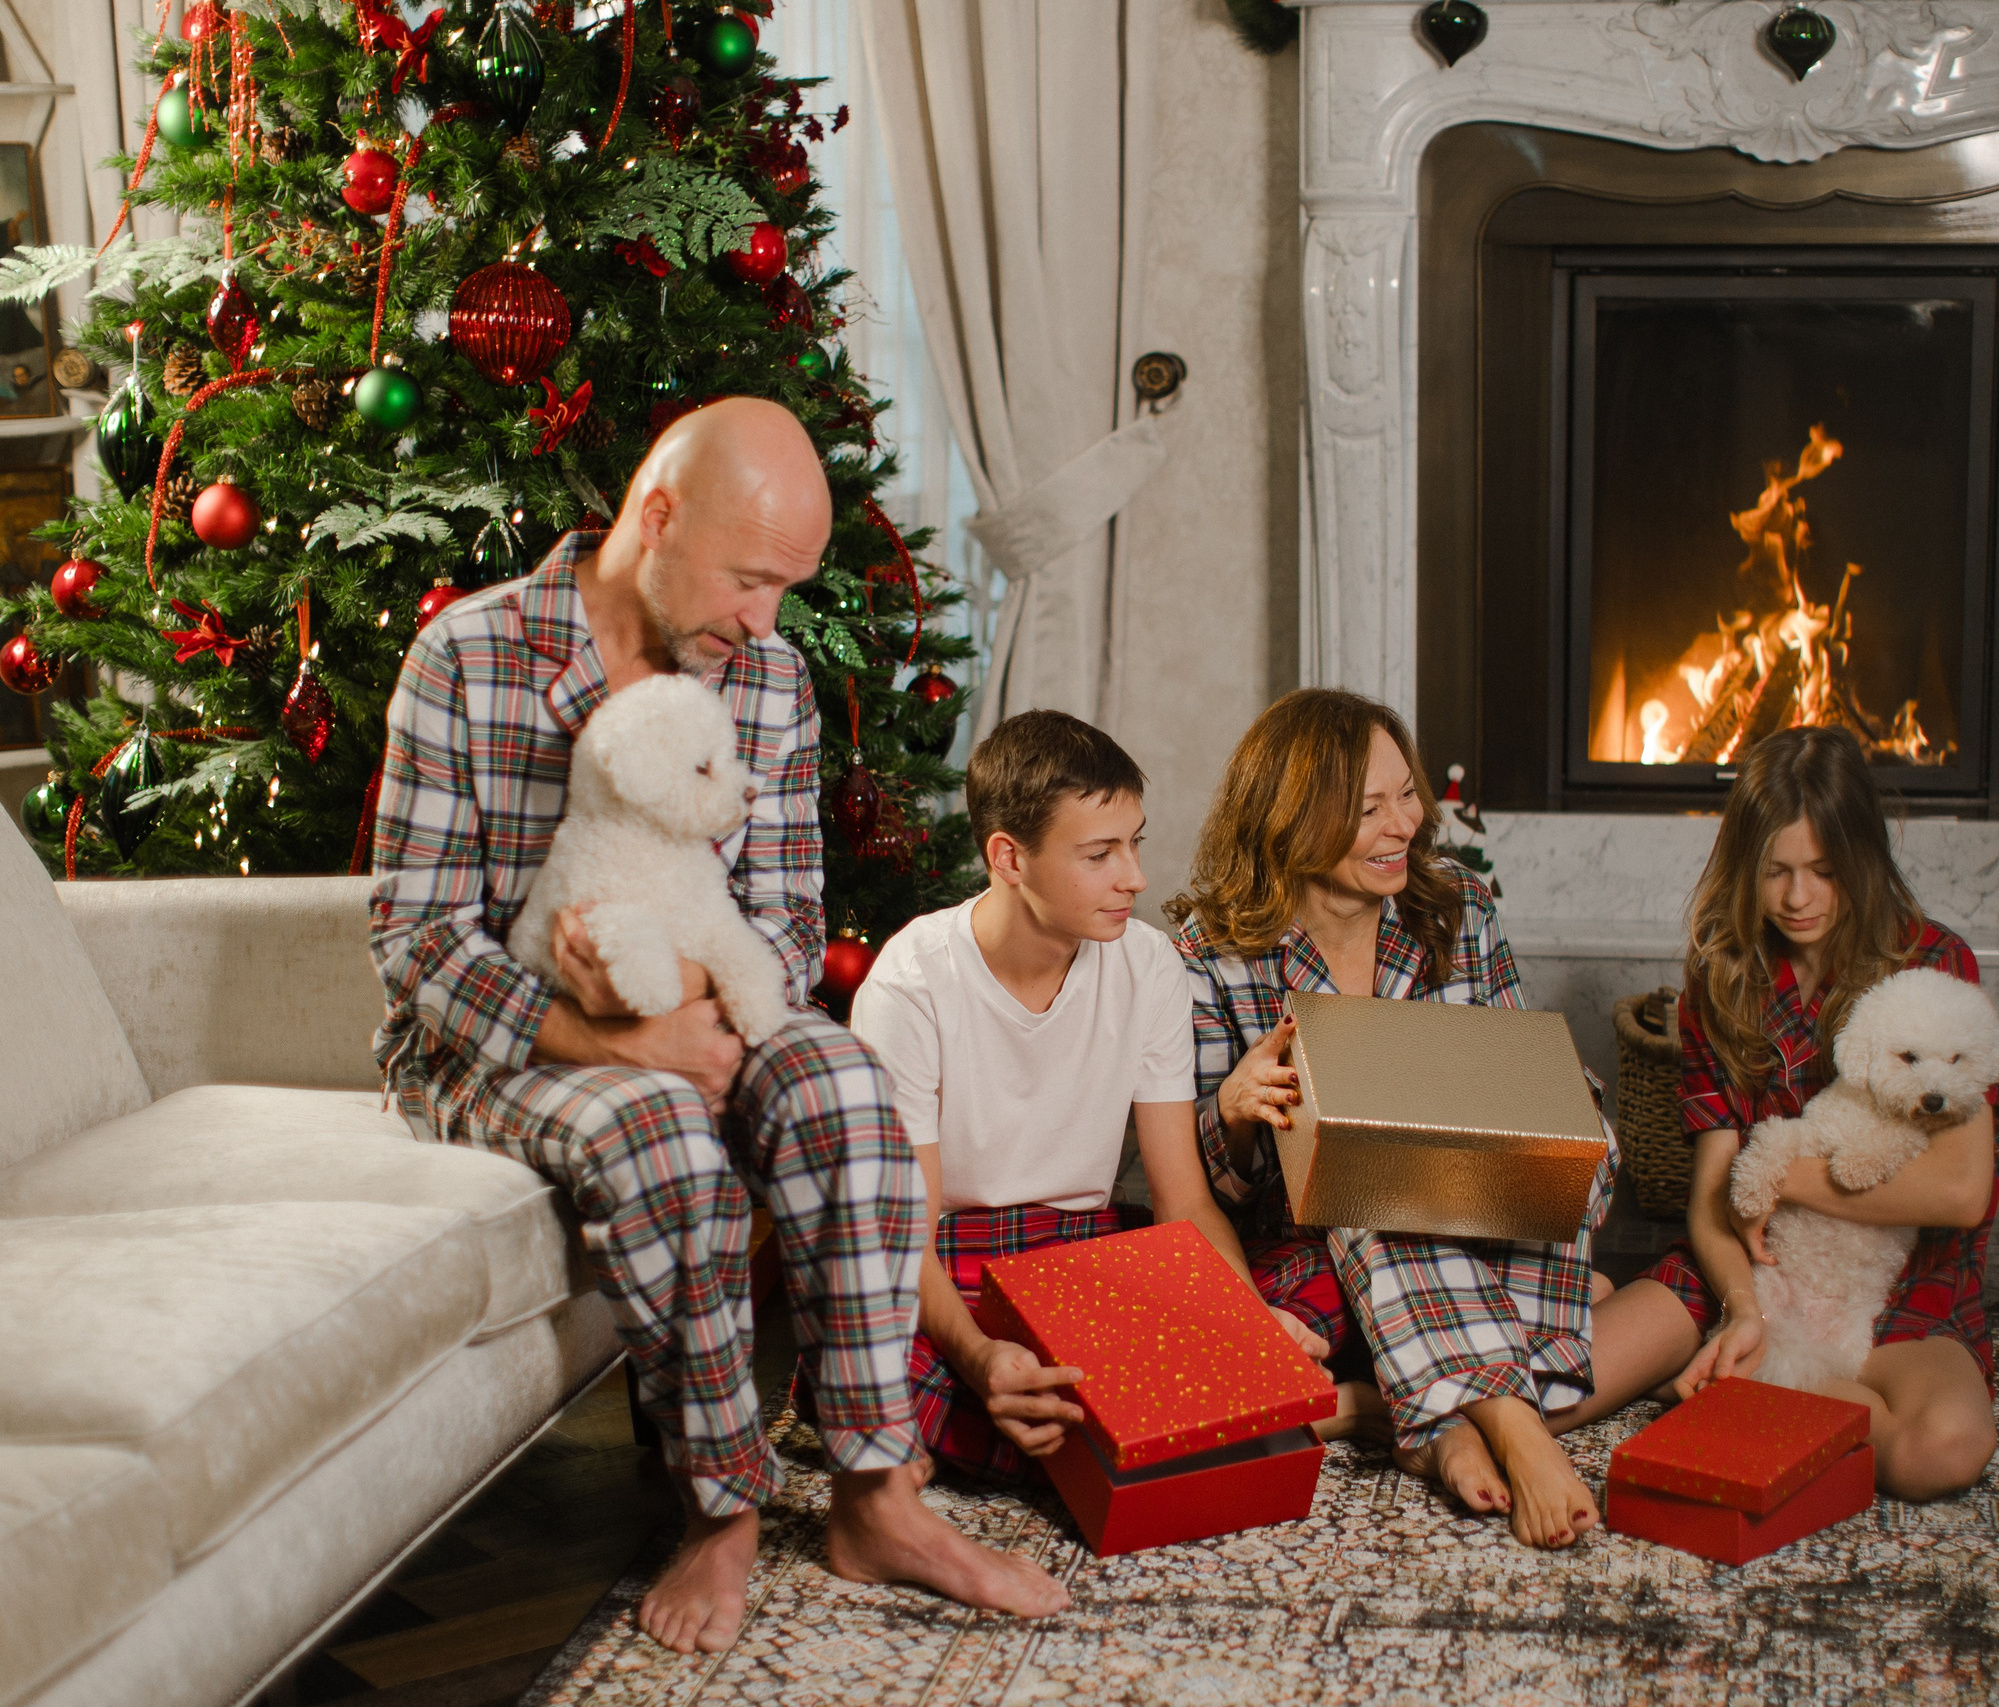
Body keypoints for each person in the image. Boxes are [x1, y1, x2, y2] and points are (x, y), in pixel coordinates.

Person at [368, 399, 1067, 1656]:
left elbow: (790, 923)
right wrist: (609, 1035)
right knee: (658, 1136)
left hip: (707, 1012)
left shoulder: (769, 678)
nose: (764, 620)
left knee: (847, 1089)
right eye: (751, 579)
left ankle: (876, 1498)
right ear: (656, 516)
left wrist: (696, 1015)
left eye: (785, 589)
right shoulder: (467, 660)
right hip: (497, 1042)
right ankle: (722, 1508)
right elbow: (415, 943)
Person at [1167, 688, 1634, 1550]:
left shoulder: (1455, 905)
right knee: (1365, 1171)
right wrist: (1233, 1111)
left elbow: (1515, 1101)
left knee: (1542, 1131)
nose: (1405, 825)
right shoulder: (1211, 949)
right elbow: (1205, 1190)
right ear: (1292, 817)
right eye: (1369, 808)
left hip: (1475, 1209)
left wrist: (1550, 1110)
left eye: (1407, 795)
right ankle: (1517, 1426)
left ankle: (1408, 1413)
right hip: (1307, 1243)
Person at [847, 710, 1331, 1482]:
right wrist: (979, 1359)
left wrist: (1245, 1328)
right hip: (949, 1258)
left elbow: (1184, 1201)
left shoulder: (1148, 966)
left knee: (1318, 1268)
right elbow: (907, 1237)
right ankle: (1162, 1416)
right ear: (1009, 856)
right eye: (1101, 854)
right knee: (856, 1327)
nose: (1135, 877)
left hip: (1088, 1253)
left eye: (1134, 842)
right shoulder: (910, 984)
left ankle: (1085, 1421)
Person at [1593, 724, 1999, 1500]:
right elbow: (1715, 1196)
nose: (1797, 897)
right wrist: (1744, 1309)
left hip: (1901, 1289)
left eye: (1824, 870)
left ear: (1863, 859)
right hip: (1754, 1274)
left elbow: (1961, 1192)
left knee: (1940, 1451)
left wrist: (1784, 1179)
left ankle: (1747, 1394)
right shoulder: (1722, 980)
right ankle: (1746, 1373)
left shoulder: (1935, 960)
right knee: (1551, 1383)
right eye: (1776, 871)